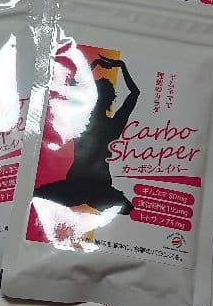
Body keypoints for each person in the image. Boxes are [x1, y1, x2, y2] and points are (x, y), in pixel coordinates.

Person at [34, 55, 140, 215]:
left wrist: (94, 65)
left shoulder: (79, 120)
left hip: (82, 186)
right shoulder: (110, 125)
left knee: (37, 194)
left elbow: (70, 86)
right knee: (128, 209)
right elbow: (134, 93)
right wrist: (121, 66)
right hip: (92, 187)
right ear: (110, 100)